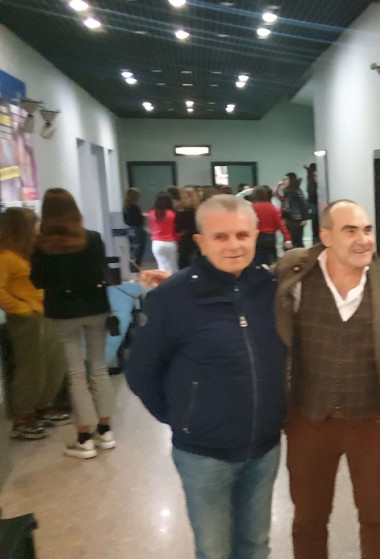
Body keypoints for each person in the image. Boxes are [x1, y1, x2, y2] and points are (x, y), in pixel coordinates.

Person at [127, 195, 284, 559]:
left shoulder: (270, 288)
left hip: (264, 448)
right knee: (213, 550)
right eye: (220, 236)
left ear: (256, 235)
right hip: (204, 455)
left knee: (255, 545)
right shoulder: (173, 297)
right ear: (200, 241)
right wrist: (183, 416)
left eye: (242, 235)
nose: (234, 245)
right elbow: (140, 371)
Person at [275, 200, 380, 559]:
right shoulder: (294, 272)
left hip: (373, 421)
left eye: (367, 230)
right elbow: (245, 284)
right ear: (325, 236)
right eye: (350, 230)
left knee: (378, 515)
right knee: (309, 518)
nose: (363, 239)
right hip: (309, 419)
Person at [31, 188, 117, 459]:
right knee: (99, 368)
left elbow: (37, 281)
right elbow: (101, 269)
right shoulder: (93, 238)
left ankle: (84, 438)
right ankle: (105, 431)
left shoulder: (40, 245)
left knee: (76, 375)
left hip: (62, 312)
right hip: (96, 307)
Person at [0, 207, 68, 440]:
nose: (36, 229)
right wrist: (22, 308)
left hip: (44, 312)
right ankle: (23, 417)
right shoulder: (3, 257)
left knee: (53, 362)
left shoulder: (28, 253)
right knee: (31, 367)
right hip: (25, 319)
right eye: (32, 225)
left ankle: (42, 407)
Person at [251, 186, 291, 266]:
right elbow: (280, 224)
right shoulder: (272, 208)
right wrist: (287, 239)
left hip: (256, 236)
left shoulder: (252, 208)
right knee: (271, 260)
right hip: (270, 237)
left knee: (256, 260)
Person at [147, 190, 178, 273]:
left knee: (162, 268)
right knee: (173, 267)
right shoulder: (172, 214)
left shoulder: (152, 213)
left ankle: (164, 281)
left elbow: (150, 227)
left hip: (157, 242)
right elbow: (176, 228)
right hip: (170, 242)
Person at [279, 172, 311, 249]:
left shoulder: (295, 190)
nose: (283, 181)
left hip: (296, 219)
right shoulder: (288, 191)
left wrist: (304, 218)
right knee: (291, 241)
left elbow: (304, 204)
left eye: (286, 179)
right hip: (290, 219)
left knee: (295, 241)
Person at [123, 188, 148, 272]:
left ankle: (132, 269)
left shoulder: (125, 207)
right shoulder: (135, 207)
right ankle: (135, 268)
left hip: (130, 230)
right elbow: (138, 220)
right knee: (138, 251)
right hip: (137, 229)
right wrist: (142, 216)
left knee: (133, 250)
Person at [175, 186, 201, 269]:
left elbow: (178, 229)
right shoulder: (200, 211)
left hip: (185, 240)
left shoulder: (180, 213)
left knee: (184, 263)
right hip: (199, 240)